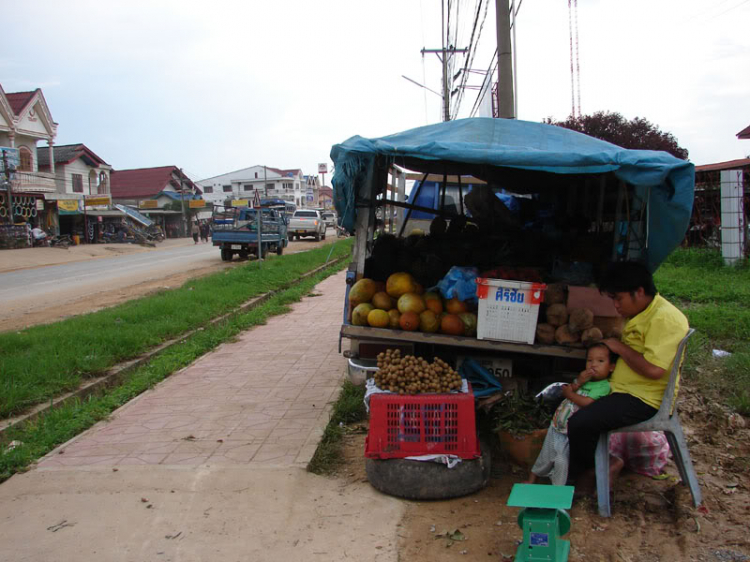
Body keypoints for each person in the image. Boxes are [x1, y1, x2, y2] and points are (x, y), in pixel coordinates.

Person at [567, 260, 689, 495]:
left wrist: (620, 348)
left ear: (639, 292)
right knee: (562, 404)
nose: (615, 305)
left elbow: (655, 370)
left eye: (619, 299)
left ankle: (592, 471)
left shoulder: (664, 319)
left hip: (643, 399)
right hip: (624, 390)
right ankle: (583, 468)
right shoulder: (643, 312)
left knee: (580, 423)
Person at [527, 343, 616, 486]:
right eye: (589, 360)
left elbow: (586, 402)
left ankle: (557, 491)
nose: (593, 365)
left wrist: (569, 394)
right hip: (557, 425)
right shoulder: (585, 380)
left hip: (569, 432)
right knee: (544, 455)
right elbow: (570, 388)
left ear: (611, 367)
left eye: (600, 361)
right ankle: (531, 481)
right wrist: (578, 381)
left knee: (562, 461)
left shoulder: (604, 386)